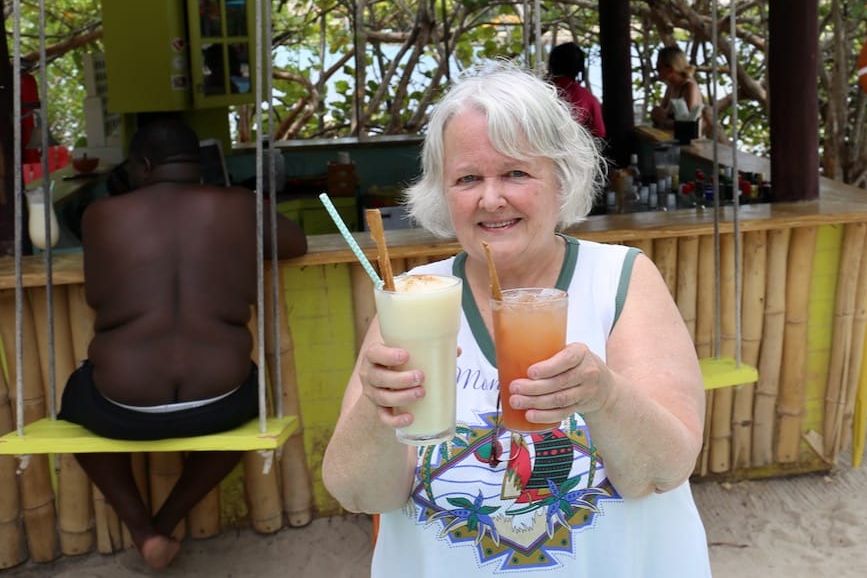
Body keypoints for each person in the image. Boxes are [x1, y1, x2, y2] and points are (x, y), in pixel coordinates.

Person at [322, 61, 711, 576]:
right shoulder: (414, 297)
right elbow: (359, 492)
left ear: (561, 178)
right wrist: (379, 409)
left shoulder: (620, 279)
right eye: (467, 178)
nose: (490, 197)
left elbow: (661, 471)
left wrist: (604, 395)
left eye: (515, 173)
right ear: (442, 191)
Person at [59, 117, 307, 570]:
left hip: (121, 403)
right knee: (252, 408)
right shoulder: (238, 207)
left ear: (144, 165)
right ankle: (167, 520)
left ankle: (141, 530)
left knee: (75, 406)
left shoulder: (101, 216)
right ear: (198, 164)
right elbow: (296, 243)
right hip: (222, 400)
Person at [649, 45, 711, 140]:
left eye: (659, 67)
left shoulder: (689, 87)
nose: (656, 70)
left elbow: (689, 125)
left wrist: (663, 119)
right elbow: (661, 114)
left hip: (690, 145)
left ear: (670, 68)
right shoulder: (671, 87)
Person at [547, 41, 606, 138]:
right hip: (572, 150)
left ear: (552, 64)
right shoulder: (588, 99)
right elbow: (599, 134)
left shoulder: (535, 90)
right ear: (579, 68)